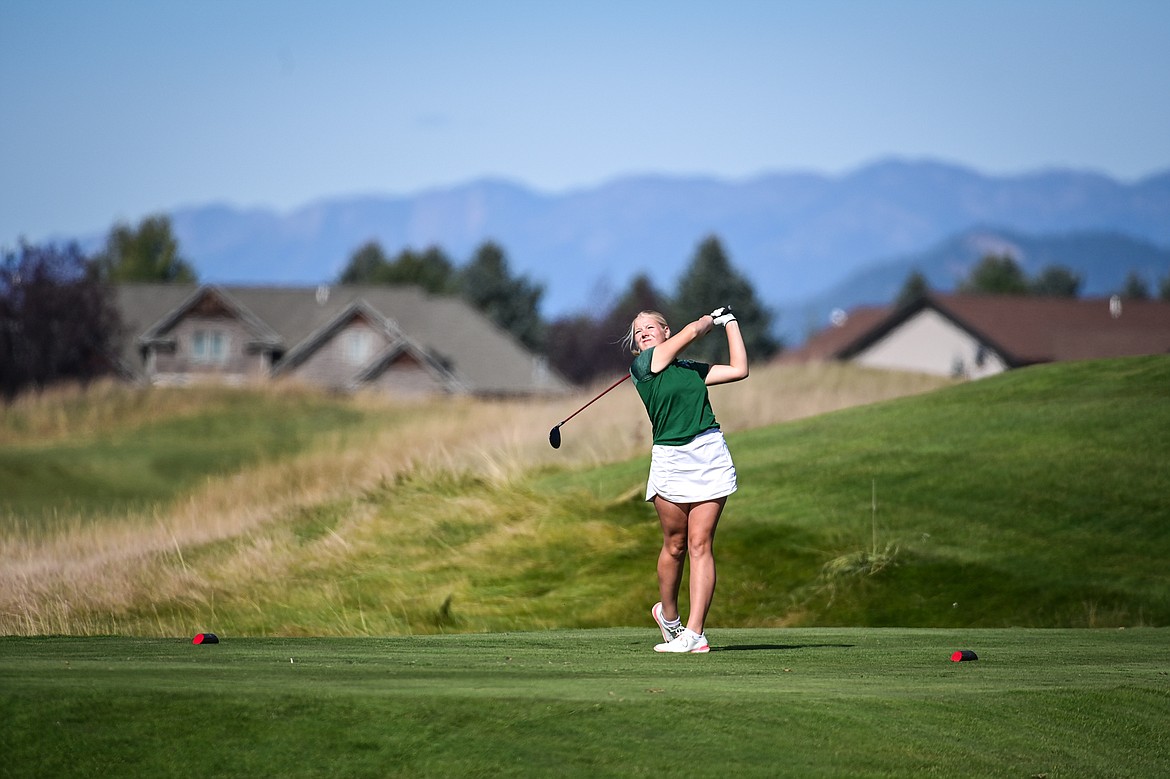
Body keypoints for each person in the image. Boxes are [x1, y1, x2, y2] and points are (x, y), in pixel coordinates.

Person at [622, 306, 748, 653]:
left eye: (650, 327)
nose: (643, 332)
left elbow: (740, 369)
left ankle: (694, 633)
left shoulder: (690, 370)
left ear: (666, 331)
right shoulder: (642, 367)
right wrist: (708, 322)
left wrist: (729, 323)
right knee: (675, 545)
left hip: (709, 453)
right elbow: (693, 332)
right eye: (637, 331)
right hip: (671, 459)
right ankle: (670, 617)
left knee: (700, 543)